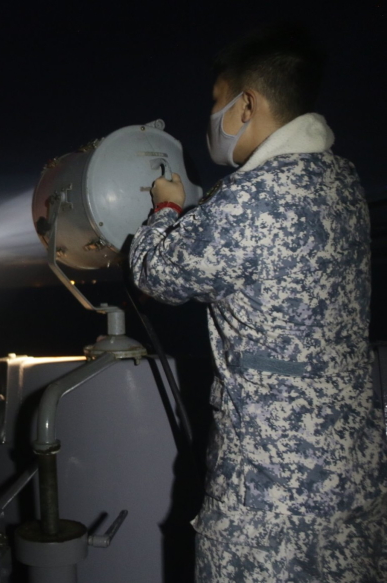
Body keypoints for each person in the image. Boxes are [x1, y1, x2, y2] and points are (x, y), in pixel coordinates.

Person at [129, 24, 387, 581]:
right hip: (354, 465)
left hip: (272, 485)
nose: (214, 117)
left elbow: (156, 274)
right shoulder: (343, 180)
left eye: (219, 101)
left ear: (248, 104)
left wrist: (166, 210)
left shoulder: (252, 198)